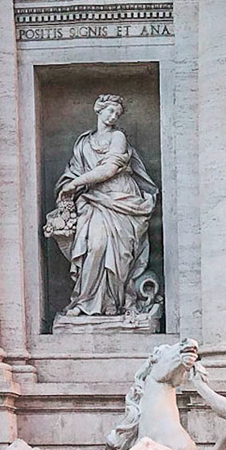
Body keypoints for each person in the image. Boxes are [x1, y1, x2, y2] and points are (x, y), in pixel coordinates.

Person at [44, 95, 158, 318]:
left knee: (118, 253)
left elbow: (109, 169)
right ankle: (85, 300)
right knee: (95, 245)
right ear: (99, 110)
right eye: (110, 111)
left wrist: (76, 183)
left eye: (117, 113)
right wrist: (69, 187)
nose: (114, 116)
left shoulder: (118, 137)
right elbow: (73, 172)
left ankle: (111, 304)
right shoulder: (84, 143)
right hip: (93, 200)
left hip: (121, 199)